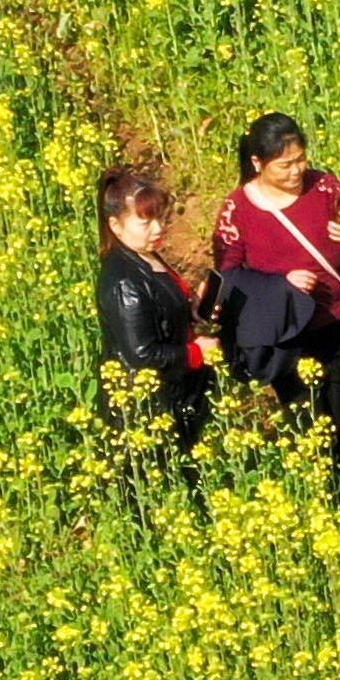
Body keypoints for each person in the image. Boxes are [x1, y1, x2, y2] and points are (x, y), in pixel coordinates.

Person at [211, 110, 340, 508]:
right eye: (285, 164)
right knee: (306, 423)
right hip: (284, 332)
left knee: (339, 423)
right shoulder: (237, 211)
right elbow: (228, 277)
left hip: (339, 320)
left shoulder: (325, 187)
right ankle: (321, 500)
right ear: (258, 163)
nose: (296, 171)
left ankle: (339, 500)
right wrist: (280, 283)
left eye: (301, 159)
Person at [94, 152, 212, 478]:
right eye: (145, 222)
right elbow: (143, 353)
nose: (157, 229)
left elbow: (158, 310)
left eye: (160, 217)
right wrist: (198, 352)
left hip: (173, 395)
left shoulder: (147, 256)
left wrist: (190, 308)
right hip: (144, 407)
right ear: (115, 226)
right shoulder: (123, 282)